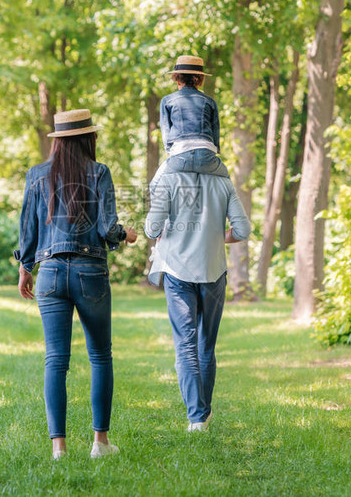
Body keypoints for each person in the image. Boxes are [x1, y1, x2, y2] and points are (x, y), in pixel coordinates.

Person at [15, 109, 137, 460]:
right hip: (90, 273)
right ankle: (100, 443)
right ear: (88, 138)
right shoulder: (99, 173)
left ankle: (59, 449)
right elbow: (107, 228)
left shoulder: (36, 175)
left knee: (56, 360)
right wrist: (125, 235)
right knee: (100, 356)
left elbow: (28, 229)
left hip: (50, 273)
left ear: (58, 141)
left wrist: (26, 267)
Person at [144, 155, 250, 431]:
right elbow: (243, 229)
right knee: (206, 345)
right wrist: (217, 236)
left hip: (178, 272)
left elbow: (151, 228)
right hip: (214, 271)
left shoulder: (168, 179)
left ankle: (196, 417)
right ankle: (203, 412)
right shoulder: (223, 182)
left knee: (185, 345)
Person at [152, 55, 229, 190]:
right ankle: (232, 211)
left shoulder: (167, 100)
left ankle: (158, 211)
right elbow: (215, 133)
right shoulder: (210, 102)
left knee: (154, 186)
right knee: (228, 186)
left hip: (180, 157)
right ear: (200, 80)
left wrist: (171, 151)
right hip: (207, 158)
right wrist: (214, 151)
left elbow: (166, 132)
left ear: (177, 79)